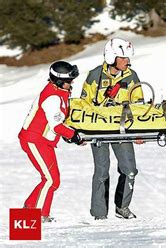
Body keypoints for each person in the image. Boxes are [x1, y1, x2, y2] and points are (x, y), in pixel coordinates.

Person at [80, 38, 144, 220]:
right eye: (123, 58)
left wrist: (139, 131)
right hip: (98, 131)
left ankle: (122, 207)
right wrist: (82, 132)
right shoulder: (95, 75)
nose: (127, 62)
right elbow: (84, 104)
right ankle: (99, 214)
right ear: (112, 57)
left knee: (130, 169)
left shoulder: (132, 76)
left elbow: (138, 105)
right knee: (101, 171)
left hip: (122, 130)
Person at [19, 61, 83, 223]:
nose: (72, 83)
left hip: (43, 141)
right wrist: (74, 136)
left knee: (51, 179)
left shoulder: (60, 91)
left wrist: (71, 134)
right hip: (34, 140)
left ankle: (28, 211)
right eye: (69, 81)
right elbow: (56, 126)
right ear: (60, 81)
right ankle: (39, 216)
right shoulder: (53, 97)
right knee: (51, 180)